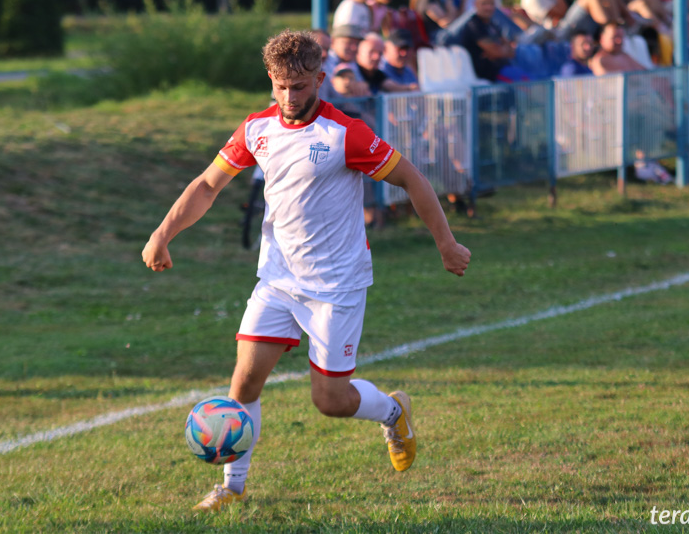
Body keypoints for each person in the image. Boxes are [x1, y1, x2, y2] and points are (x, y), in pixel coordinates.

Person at [142, 30, 471, 513]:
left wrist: (446, 243)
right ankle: (233, 487)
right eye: (280, 86)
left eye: (299, 86)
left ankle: (393, 410)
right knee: (244, 384)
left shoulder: (345, 134)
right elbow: (208, 185)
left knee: (330, 401)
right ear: (271, 82)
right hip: (276, 280)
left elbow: (411, 178)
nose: (289, 96)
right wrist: (162, 233)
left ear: (319, 79)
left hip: (335, 288)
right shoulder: (256, 129)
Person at [461, 0, 531, 83]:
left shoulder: (492, 24)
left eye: (491, 4)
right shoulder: (474, 25)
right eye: (484, 4)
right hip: (489, 75)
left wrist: (499, 50)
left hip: (503, 68)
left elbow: (510, 51)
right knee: (528, 83)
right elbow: (496, 52)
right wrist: (499, 50)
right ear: (475, 4)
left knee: (535, 77)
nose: (489, 7)